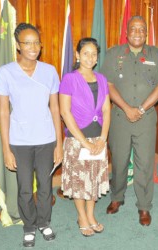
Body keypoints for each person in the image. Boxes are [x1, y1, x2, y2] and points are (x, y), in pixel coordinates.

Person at [0, 23, 63, 247]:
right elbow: (3, 112)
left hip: (46, 139)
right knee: (24, 188)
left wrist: (59, 144)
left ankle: (44, 222)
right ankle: (29, 226)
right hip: (20, 141)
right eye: (27, 43)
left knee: (44, 184)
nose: (33, 47)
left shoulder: (49, 70)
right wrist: (6, 149)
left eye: (36, 43)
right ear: (18, 45)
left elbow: (55, 108)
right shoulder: (5, 72)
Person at [100, 16, 158, 226]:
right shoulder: (114, 54)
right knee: (119, 161)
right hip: (120, 117)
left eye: (141, 29)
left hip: (146, 119)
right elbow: (109, 85)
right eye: (133, 29)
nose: (137, 32)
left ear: (146, 33)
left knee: (145, 164)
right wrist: (127, 108)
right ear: (127, 32)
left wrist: (139, 109)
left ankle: (144, 206)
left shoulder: (156, 55)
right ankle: (117, 198)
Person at [59, 38, 110, 237]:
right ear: (78, 55)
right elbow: (65, 112)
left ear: (97, 58)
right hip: (77, 139)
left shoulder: (102, 79)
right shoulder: (69, 79)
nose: (90, 57)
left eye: (94, 54)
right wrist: (85, 142)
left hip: (98, 138)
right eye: (86, 53)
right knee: (80, 182)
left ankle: (91, 214)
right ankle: (81, 216)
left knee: (94, 180)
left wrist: (102, 138)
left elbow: (106, 109)